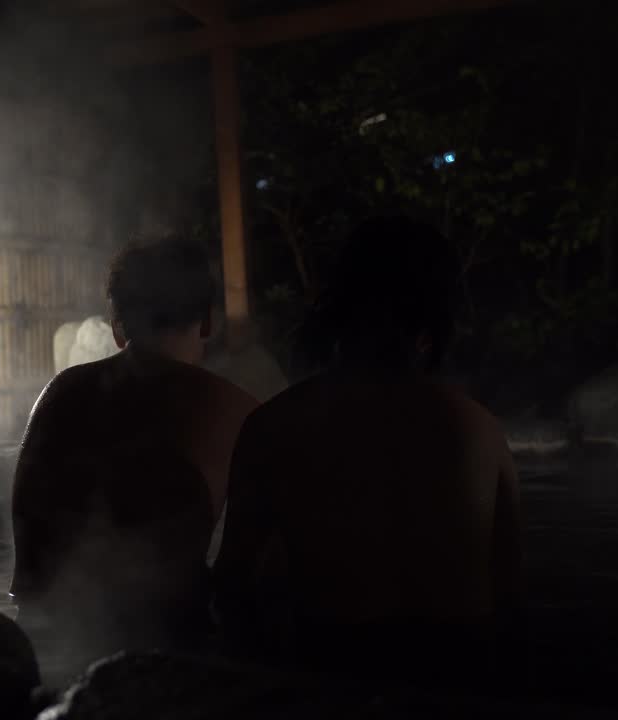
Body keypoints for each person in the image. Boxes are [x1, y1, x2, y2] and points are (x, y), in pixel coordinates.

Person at [214, 216, 523, 689]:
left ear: (338, 307)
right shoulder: (482, 431)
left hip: (334, 677)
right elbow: (511, 601)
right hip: (460, 682)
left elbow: (233, 589)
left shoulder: (275, 426)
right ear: (435, 320)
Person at [10, 235, 259, 664]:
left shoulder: (58, 394)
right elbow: (251, 576)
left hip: (38, 643)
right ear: (206, 322)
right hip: (165, 652)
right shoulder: (231, 409)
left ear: (117, 327)